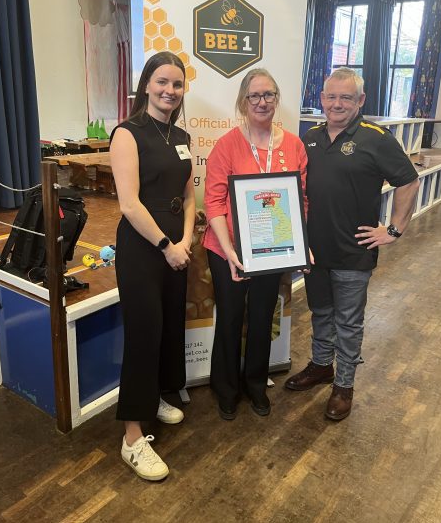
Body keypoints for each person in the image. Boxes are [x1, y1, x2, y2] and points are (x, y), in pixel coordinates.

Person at [285, 67, 420, 420]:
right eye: (331, 96)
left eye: (346, 97)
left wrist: (394, 230)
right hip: (315, 251)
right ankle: (321, 366)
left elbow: (408, 181)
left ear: (360, 100)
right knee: (321, 312)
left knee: (348, 322)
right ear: (321, 99)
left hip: (354, 251)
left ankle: (344, 385)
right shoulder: (310, 137)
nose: (337, 104)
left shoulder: (377, 138)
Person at [203, 68, 308, 420]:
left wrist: (300, 243)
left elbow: (300, 201)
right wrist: (230, 252)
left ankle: (256, 385)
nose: (262, 102)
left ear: (277, 99)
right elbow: (213, 203)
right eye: (255, 96)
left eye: (269, 95)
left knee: (263, 317)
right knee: (230, 318)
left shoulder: (293, 145)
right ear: (243, 102)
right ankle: (226, 388)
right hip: (227, 249)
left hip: (271, 251)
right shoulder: (227, 145)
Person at [110, 51, 195, 480]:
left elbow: (189, 195)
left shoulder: (180, 135)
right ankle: (131, 438)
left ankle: (154, 397)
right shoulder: (128, 133)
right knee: (144, 335)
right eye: (162, 82)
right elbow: (129, 204)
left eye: (177, 84)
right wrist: (166, 245)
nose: (170, 90)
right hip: (144, 249)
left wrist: (186, 241)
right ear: (146, 84)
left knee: (166, 328)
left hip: (176, 248)